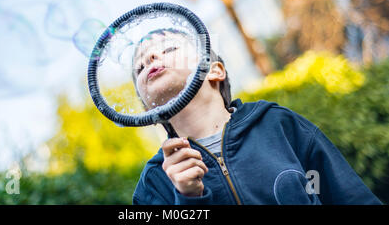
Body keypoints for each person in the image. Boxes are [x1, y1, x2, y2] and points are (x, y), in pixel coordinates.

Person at [130, 27, 382, 205]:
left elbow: (347, 195)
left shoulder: (278, 125)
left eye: (170, 48)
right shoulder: (155, 182)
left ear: (214, 71)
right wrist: (188, 199)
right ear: (147, 110)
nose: (150, 58)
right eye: (140, 67)